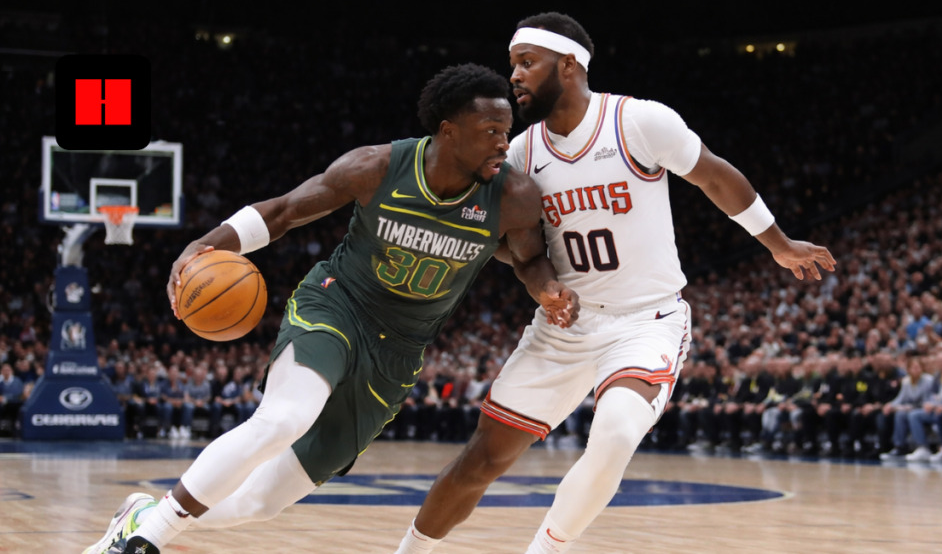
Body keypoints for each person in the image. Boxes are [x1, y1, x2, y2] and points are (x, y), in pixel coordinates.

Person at [83, 63, 578, 554]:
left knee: (261, 502)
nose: (502, 143)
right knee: (283, 419)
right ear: (448, 131)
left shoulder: (513, 196)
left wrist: (546, 289)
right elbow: (284, 211)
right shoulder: (377, 167)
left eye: (506, 131)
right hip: (337, 305)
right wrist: (205, 243)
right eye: (491, 131)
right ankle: (147, 540)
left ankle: (143, 515)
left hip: (399, 352)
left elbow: (530, 259)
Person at [392, 13, 835, 554]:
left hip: (644, 321)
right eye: (513, 64)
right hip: (565, 326)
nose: (514, 76)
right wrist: (543, 284)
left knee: (616, 434)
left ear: (570, 64)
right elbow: (510, 245)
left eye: (526, 63)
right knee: (481, 460)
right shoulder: (522, 153)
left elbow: (715, 175)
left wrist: (779, 244)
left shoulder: (638, 121)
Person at [879, 355, 933, 459]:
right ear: (908, 369)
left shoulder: (928, 380)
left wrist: (911, 407)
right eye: (913, 367)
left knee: (912, 414)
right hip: (912, 409)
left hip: (925, 409)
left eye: (918, 367)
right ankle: (900, 446)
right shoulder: (906, 381)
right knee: (900, 414)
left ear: (922, 368)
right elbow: (900, 398)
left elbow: (928, 400)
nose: (916, 370)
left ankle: (923, 447)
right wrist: (890, 405)